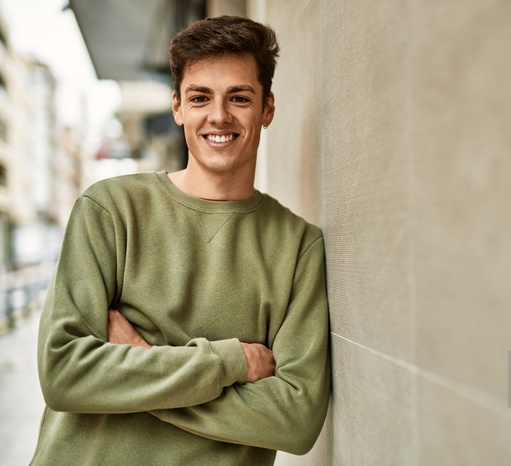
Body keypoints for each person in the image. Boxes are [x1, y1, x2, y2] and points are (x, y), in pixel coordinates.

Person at [31, 15, 330, 465]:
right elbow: (63, 374)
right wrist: (228, 365)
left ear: (268, 108)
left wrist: (139, 359)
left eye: (240, 97)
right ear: (177, 107)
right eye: (200, 97)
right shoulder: (111, 210)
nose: (218, 115)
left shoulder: (297, 248)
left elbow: (296, 419)